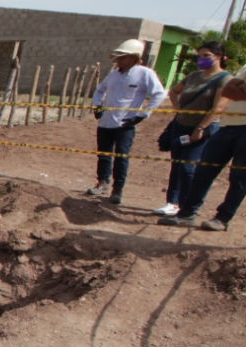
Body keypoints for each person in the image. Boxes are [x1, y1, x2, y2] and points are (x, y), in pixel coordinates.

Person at [159, 62, 246, 232]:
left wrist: (241, 90)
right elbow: (229, 91)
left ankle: (222, 218)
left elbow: (233, 91)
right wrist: (238, 89)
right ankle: (187, 214)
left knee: (239, 177)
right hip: (227, 125)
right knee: (203, 171)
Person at [155, 42, 231, 216]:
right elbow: (174, 92)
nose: (201, 59)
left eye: (206, 56)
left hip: (202, 128)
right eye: (200, 56)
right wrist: (177, 109)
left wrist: (200, 128)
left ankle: (187, 205)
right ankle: (172, 202)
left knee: (188, 167)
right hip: (180, 125)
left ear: (219, 57)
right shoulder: (194, 76)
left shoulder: (225, 78)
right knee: (177, 164)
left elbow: (218, 107)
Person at [88, 39, 167, 205]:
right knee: (103, 154)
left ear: (134, 57)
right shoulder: (113, 74)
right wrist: (97, 106)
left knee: (121, 156)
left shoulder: (144, 73)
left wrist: (143, 114)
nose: (118, 60)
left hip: (125, 124)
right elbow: (100, 90)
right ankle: (102, 183)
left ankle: (118, 189)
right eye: (118, 57)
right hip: (106, 121)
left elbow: (158, 94)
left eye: (122, 57)